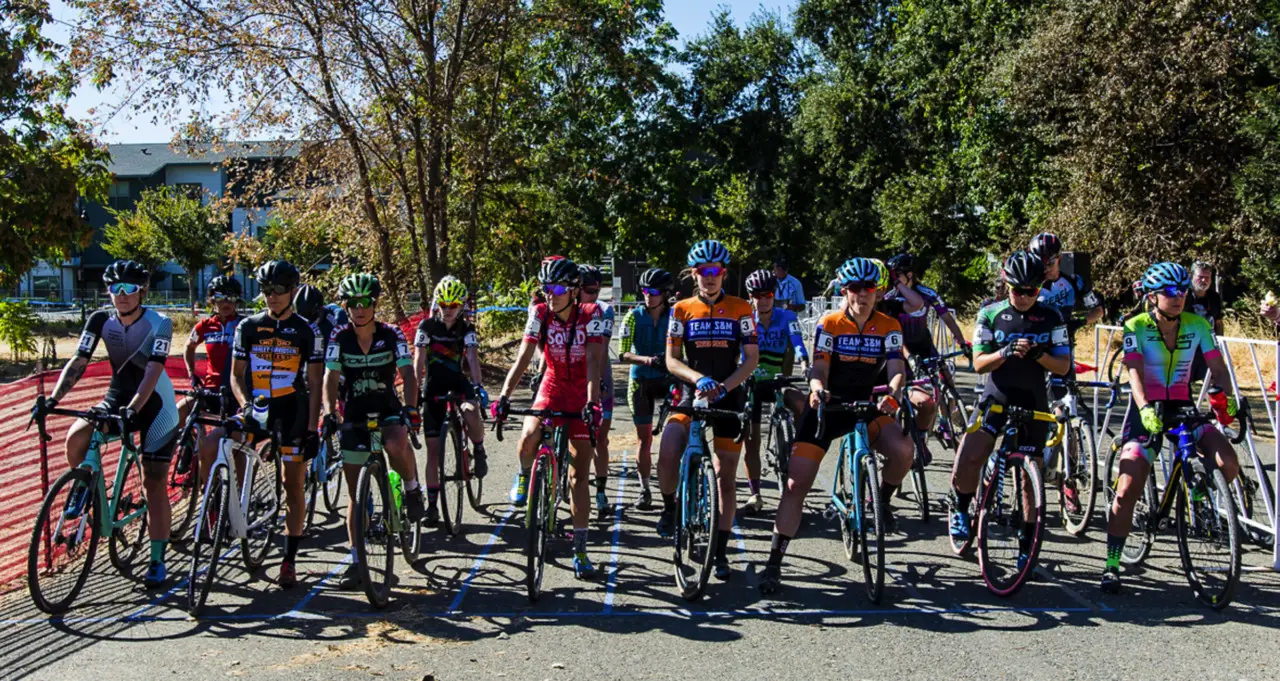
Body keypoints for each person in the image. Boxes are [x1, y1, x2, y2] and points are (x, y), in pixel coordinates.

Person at [758, 257, 913, 594]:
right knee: (796, 485)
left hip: (869, 405)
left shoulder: (888, 325)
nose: (862, 295)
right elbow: (819, 367)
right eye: (855, 289)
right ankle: (774, 561)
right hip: (829, 405)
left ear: (878, 291)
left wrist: (895, 393)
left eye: (868, 288)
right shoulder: (830, 322)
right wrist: (817, 390)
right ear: (845, 291)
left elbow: (896, 367)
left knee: (903, 450)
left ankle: (882, 500)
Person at [31, 260, 180, 588]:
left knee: (154, 485)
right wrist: (53, 400)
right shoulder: (100, 319)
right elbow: (79, 361)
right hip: (117, 396)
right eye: (116, 289)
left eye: (130, 289)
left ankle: (157, 560)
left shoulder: (160, 323)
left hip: (155, 404)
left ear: (142, 291)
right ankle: (85, 486)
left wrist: (133, 409)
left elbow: (153, 371)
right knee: (77, 436)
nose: (122, 295)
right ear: (108, 291)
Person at [1101, 262, 1239, 594]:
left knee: (1228, 462)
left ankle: (1198, 494)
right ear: (1152, 297)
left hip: (1181, 404)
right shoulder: (1135, 326)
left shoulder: (1198, 324)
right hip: (1145, 407)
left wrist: (1227, 396)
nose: (1178, 298)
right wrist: (1145, 407)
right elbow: (1133, 371)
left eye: (1183, 291)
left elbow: (1216, 366)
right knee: (1127, 488)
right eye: (1170, 293)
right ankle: (1112, 564)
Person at [201, 260, 323, 588]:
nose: (272, 297)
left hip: (292, 409)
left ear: (293, 291)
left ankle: (289, 559)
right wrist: (245, 405)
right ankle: (220, 508)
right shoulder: (249, 327)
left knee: (292, 482)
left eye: (279, 291)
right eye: (267, 291)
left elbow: (314, 383)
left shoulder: (306, 330)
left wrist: (313, 429)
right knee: (214, 445)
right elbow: (236, 375)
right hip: (256, 406)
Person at [948, 251, 1070, 569]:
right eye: (1018, 290)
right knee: (971, 453)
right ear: (1007, 284)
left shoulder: (1053, 316)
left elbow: (1063, 365)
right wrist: (1005, 350)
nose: (1025, 297)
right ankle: (961, 508)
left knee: (1032, 479)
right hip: (996, 396)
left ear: (1041, 287)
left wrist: (1040, 354)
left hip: (1033, 400)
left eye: (1032, 290)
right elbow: (978, 364)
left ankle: (1027, 543)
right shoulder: (990, 313)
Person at [494, 256, 605, 579]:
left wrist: (592, 402)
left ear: (573, 290)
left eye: (557, 289)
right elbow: (524, 356)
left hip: (581, 390)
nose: (550, 295)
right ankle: (525, 474)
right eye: (546, 289)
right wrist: (503, 396)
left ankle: (581, 549)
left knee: (577, 477)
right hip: (552, 385)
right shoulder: (539, 313)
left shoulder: (591, 314)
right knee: (529, 436)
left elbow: (595, 361)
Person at [658, 239, 760, 582]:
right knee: (669, 450)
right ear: (694, 274)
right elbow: (672, 359)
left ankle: (720, 551)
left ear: (724, 274)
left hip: (728, 393)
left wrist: (725, 387)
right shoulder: (681, 309)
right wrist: (698, 379)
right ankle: (671, 506)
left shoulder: (742, 308)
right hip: (692, 390)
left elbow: (752, 359)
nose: (710, 278)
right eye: (703, 272)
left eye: (716, 271)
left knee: (725, 477)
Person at [324, 273, 425, 589]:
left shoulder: (392, 334)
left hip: (387, 409)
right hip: (354, 413)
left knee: (395, 443)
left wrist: (411, 408)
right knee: (356, 494)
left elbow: (408, 375)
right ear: (346, 306)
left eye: (366, 302)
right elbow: (329, 380)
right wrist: (329, 414)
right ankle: (356, 560)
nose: (360, 309)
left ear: (374, 304)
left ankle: (410, 487)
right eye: (353, 303)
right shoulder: (339, 338)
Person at [414, 275, 489, 527]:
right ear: (437, 304)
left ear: (461, 306)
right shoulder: (425, 327)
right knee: (433, 451)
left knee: (470, 411)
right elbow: (418, 363)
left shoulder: (466, 330)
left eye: (453, 306)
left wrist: (477, 386)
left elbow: (472, 357)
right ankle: (432, 507)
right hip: (433, 385)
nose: (447, 311)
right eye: (443, 306)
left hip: (458, 381)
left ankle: (478, 449)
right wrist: (414, 394)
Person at [741, 269, 809, 514]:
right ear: (751, 297)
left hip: (779, 380)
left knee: (803, 404)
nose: (763, 300)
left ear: (774, 294)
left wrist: (804, 362)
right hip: (752, 384)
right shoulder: (745, 318)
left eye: (768, 294)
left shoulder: (787, 316)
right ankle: (755, 494)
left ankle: (798, 448)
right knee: (752, 440)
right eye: (758, 295)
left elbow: (797, 341)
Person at [617, 268, 674, 510]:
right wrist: (648, 360)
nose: (648, 296)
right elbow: (623, 353)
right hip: (641, 381)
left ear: (665, 293)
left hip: (669, 380)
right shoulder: (633, 316)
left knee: (676, 436)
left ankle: (673, 486)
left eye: (653, 292)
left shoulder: (674, 316)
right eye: (644, 292)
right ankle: (644, 488)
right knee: (644, 439)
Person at [179, 275, 245, 430]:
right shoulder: (205, 326)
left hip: (235, 392)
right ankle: (188, 447)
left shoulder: (245, 325)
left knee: (226, 437)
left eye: (231, 297)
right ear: (212, 300)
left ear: (237, 300)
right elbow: (189, 346)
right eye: (220, 297)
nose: (226, 303)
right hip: (210, 389)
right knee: (178, 412)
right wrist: (191, 373)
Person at [577, 264, 616, 518]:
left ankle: (601, 491)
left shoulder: (604, 311)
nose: (593, 295)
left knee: (599, 438)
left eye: (596, 290)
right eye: (588, 290)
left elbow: (601, 351)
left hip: (599, 374)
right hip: (570, 376)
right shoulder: (562, 308)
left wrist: (600, 381)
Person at [1187, 261, 1224, 387]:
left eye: (1207, 277)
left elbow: (1218, 321)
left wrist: (1220, 343)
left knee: (1214, 384)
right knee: (1183, 384)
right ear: (1191, 277)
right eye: (1200, 277)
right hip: (1185, 347)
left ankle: (1214, 407)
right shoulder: (1183, 296)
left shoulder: (1214, 297)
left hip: (1207, 346)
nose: (1204, 280)